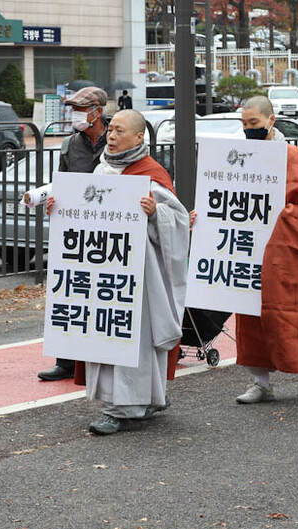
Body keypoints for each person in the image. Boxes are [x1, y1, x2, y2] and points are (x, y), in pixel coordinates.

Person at [46, 110, 190, 434]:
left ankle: (122, 407)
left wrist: (156, 215)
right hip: (105, 271)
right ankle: (125, 401)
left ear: (139, 138)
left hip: (140, 273)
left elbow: (177, 221)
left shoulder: (152, 174)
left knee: (135, 336)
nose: (111, 135)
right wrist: (60, 209)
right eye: (110, 130)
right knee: (106, 332)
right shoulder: (102, 169)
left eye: (119, 131)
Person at [234, 96, 298, 403]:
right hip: (250, 244)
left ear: (271, 121)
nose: (248, 129)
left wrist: (285, 217)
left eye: (254, 123)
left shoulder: (289, 155)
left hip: (285, 247)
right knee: (252, 313)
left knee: (295, 307)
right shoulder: (239, 154)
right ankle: (260, 380)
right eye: (243, 124)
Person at [38, 86, 110, 381]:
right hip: (76, 229)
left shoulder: (117, 137)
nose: (76, 115)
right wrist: (52, 200)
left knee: (105, 292)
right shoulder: (70, 145)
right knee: (70, 290)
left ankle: (106, 354)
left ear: (99, 112)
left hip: (111, 228)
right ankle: (66, 361)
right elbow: (62, 182)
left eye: (82, 109)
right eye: (74, 109)